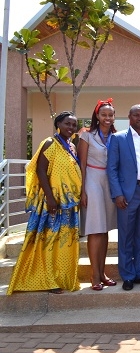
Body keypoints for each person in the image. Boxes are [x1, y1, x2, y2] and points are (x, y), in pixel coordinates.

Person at [7, 112, 82, 295]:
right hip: (53, 203)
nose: (71, 128)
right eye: (67, 124)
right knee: (49, 241)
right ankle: (48, 279)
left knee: (64, 244)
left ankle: (63, 276)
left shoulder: (71, 146)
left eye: (74, 125)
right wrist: (50, 198)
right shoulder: (50, 143)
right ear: (58, 124)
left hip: (69, 204)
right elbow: (40, 171)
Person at [107, 105, 140, 291]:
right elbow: (111, 169)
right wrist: (118, 194)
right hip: (127, 194)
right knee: (127, 235)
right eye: (136, 115)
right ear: (129, 116)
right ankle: (127, 275)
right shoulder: (118, 138)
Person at [78, 99, 118, 291]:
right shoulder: (86, 136)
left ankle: (102, 272)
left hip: (109, 182)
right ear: (97, 116)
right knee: (95, 228)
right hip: (92, 180)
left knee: (105, 229)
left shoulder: (116, 136)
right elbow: (82, 164)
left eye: (110, 115)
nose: (107, 118)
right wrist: (82, 190)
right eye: (104, 114)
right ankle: (94, 275)